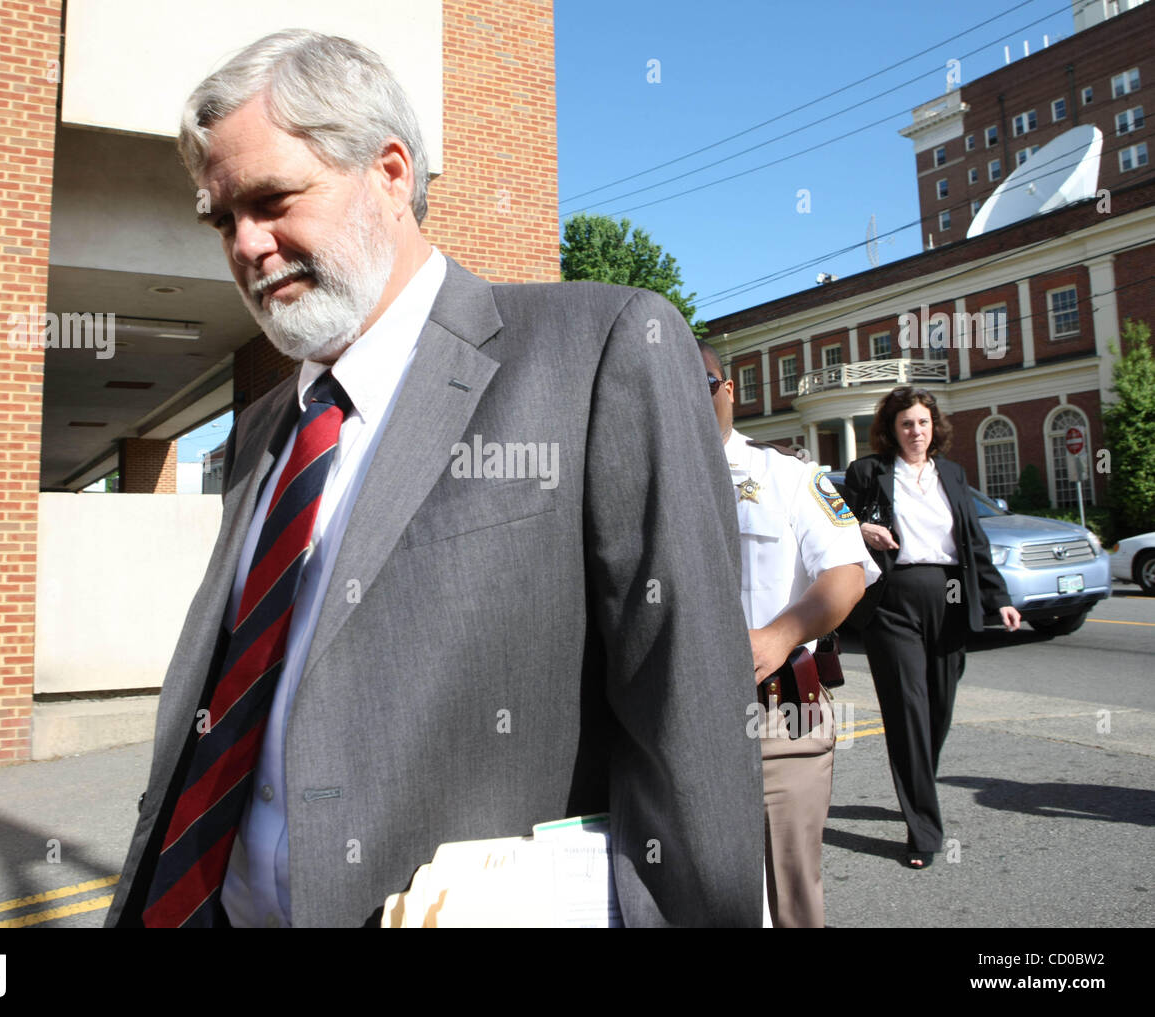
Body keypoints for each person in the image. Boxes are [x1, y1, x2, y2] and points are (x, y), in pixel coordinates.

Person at [105, 29, 765, 928]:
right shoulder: (265, 431)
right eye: (222, 218)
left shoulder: (602, 351)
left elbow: (690, 723)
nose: (248, 246)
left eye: (271, 200)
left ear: (389, 172)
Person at [697, 341, 877, 926]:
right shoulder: (633, 477)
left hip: (776, 716)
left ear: (727, 391)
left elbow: (846, 575)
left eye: (702, 383)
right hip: (674, 723)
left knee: (790, 893)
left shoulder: (789, 477)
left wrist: (780, 634)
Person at [841, 386, 1021, 869]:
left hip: (951, 599)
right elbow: (830, 520)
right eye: (905, 424)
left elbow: (973, 542)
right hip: (893, 601)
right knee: (907, 712)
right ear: (891, 429)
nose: (915, 432)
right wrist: (861, 528)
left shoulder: (954, 475)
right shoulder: (868, 472)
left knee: (937, 709)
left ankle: (916, 783)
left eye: (922, 423)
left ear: (933, 426)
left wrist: (999, 598)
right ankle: (923, 829)